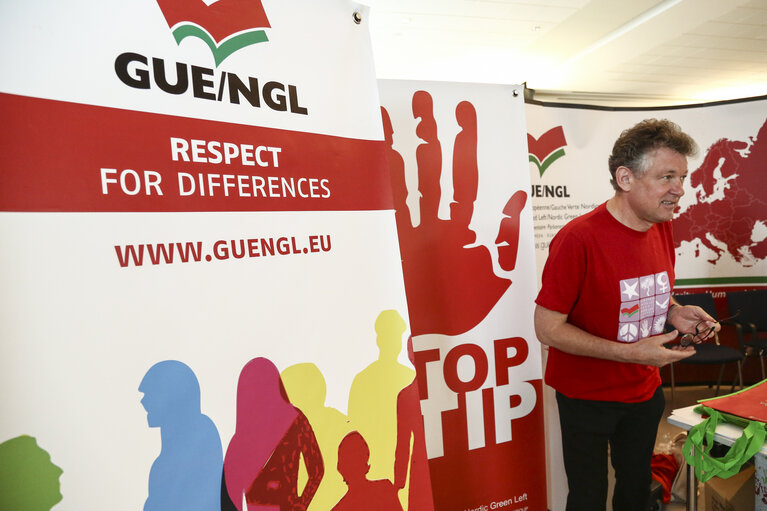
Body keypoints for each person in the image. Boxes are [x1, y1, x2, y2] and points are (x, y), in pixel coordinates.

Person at [534, 118, 720, 511]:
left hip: (645, 391)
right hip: (586, 397)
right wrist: (631, 352)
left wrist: (676, 313)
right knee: (587, 496)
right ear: (625, 178)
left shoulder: (661, 225)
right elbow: (548, 328)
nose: (679, 190)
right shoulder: (578, 238)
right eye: (667, 176)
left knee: (636, 489)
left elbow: (646, 296)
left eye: (682, 177)